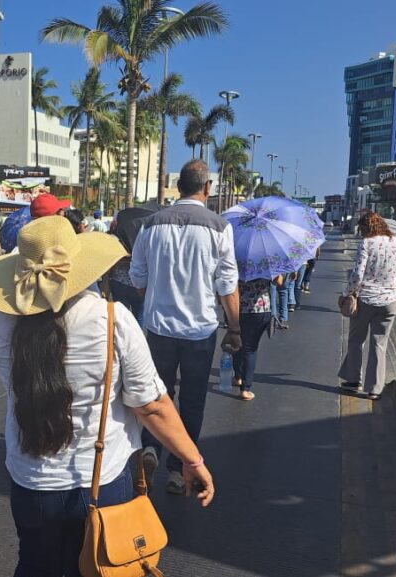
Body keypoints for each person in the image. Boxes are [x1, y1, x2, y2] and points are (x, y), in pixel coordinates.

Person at [0, 216, 215, 576]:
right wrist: (192, 460)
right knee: (102, 566)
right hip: (101, 480)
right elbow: (151, 405)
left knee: (35, 565)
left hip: (31, 480)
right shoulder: (111, 318)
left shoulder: (2, 322)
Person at [131, 159, 241, 494]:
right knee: (192, 401)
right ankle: (180, 469)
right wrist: (234, 328)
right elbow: (227, 285)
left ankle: (150, 446)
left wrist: (153, 301)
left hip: (158, 328)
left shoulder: (149, 225)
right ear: (207, 188)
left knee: (156, 394)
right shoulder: (220, 227)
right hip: (199, 331)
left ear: (179, 186)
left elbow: (137, 275)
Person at [339, 212, 396, 400]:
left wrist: (346, 293)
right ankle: (374, 389)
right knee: (379, 344)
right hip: (389, 301)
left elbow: (357, 275)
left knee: (356, 341)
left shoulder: (367, 243)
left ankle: (353, 380)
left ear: (367, 228)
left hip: (366, 299)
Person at [232, 276, 272, 401]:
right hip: (260, 309)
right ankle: (246, 388)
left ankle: (238, 377)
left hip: (238, 308)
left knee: (238, 343)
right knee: (251, 348)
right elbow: (279, 281)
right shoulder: (267, 260)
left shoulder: (236, 259)